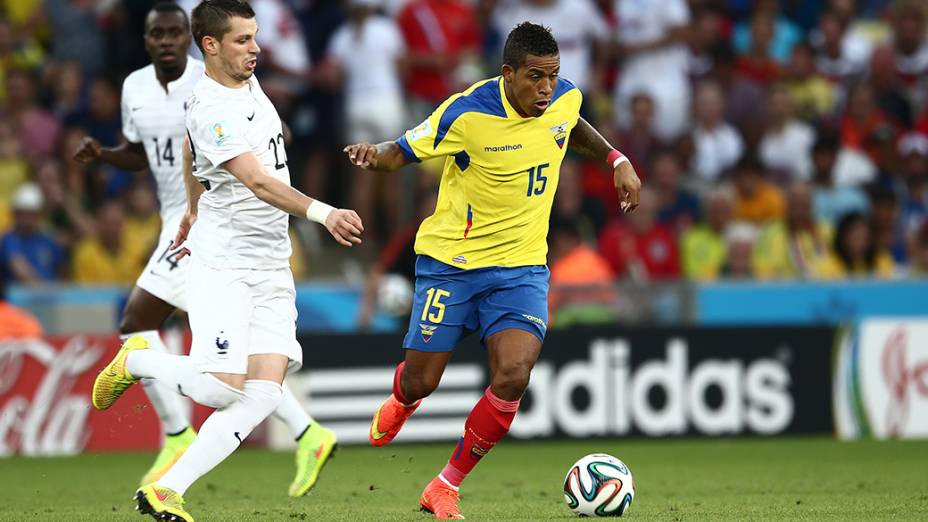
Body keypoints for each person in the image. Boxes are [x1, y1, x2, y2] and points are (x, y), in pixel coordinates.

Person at [343, 22, 641, 519]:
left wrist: (616, 159)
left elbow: (573, 125)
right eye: (535, 78)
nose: (546, 88)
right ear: (508, 74)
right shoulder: (467, 113)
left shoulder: (564, 99)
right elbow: (402, 150)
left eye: (553, 76)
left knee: (514, 373)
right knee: (423, 381)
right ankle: (402, 398)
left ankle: (445, 485)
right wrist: (374, 156)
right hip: (451, 266)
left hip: (521, 268)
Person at [87, 3, 362, 519]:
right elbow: (257, 181)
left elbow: (191, 153)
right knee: (219, 390)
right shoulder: (213, 106)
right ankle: (138, 360)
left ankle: (164, 490)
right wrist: (324, 213)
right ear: (209, 46)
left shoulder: (245, 82)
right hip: (226, 262)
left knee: (261, 392)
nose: (255, 48)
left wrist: (190, 206)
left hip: (271, 261)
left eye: (255, 37)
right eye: (241, 40)